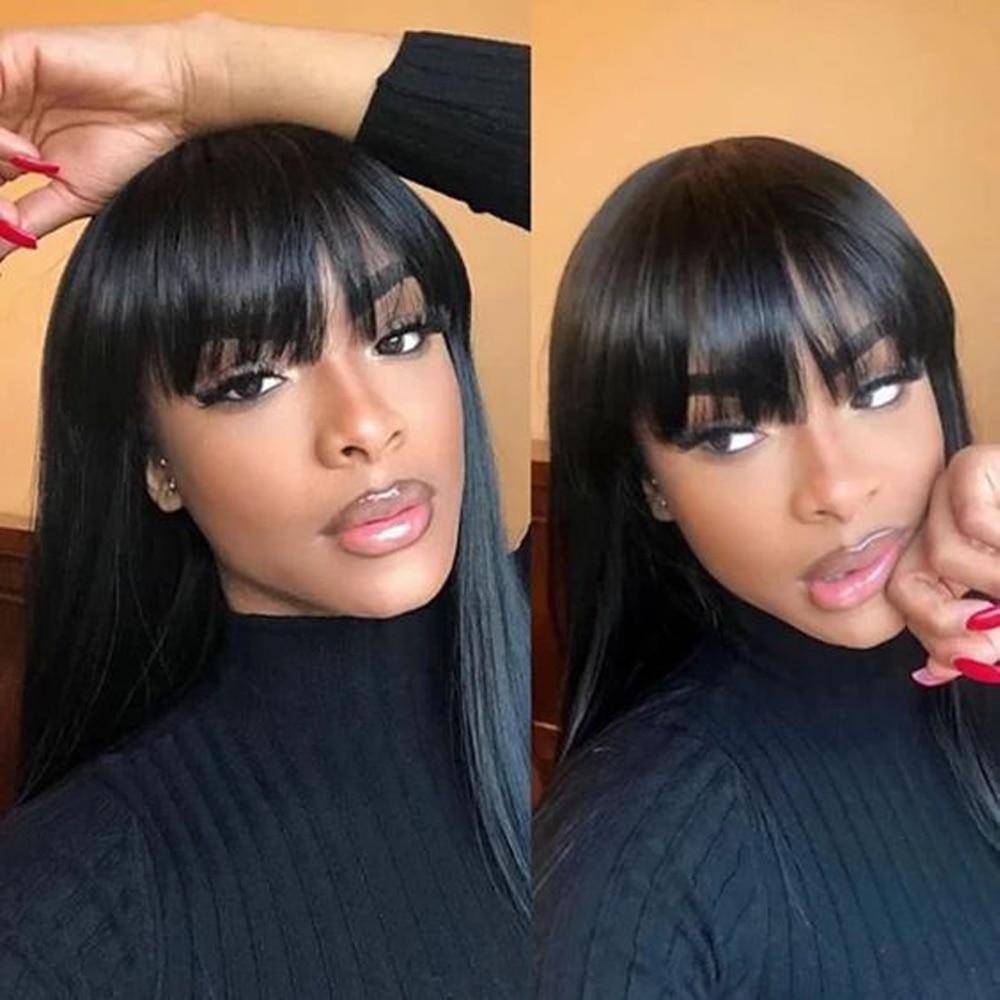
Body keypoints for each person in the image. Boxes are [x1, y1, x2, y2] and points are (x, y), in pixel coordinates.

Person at [0, 16, 529, 999]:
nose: (364, 424)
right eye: (249, 380)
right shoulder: (65, 910)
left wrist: (206, 71)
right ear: (156, 464)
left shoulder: (587, 664)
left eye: (401, 335)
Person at [535, 136, 1000, 997]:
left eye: (877, 389)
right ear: (650, 484)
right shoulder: (633, 858)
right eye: (731, 434)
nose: (837, 489)